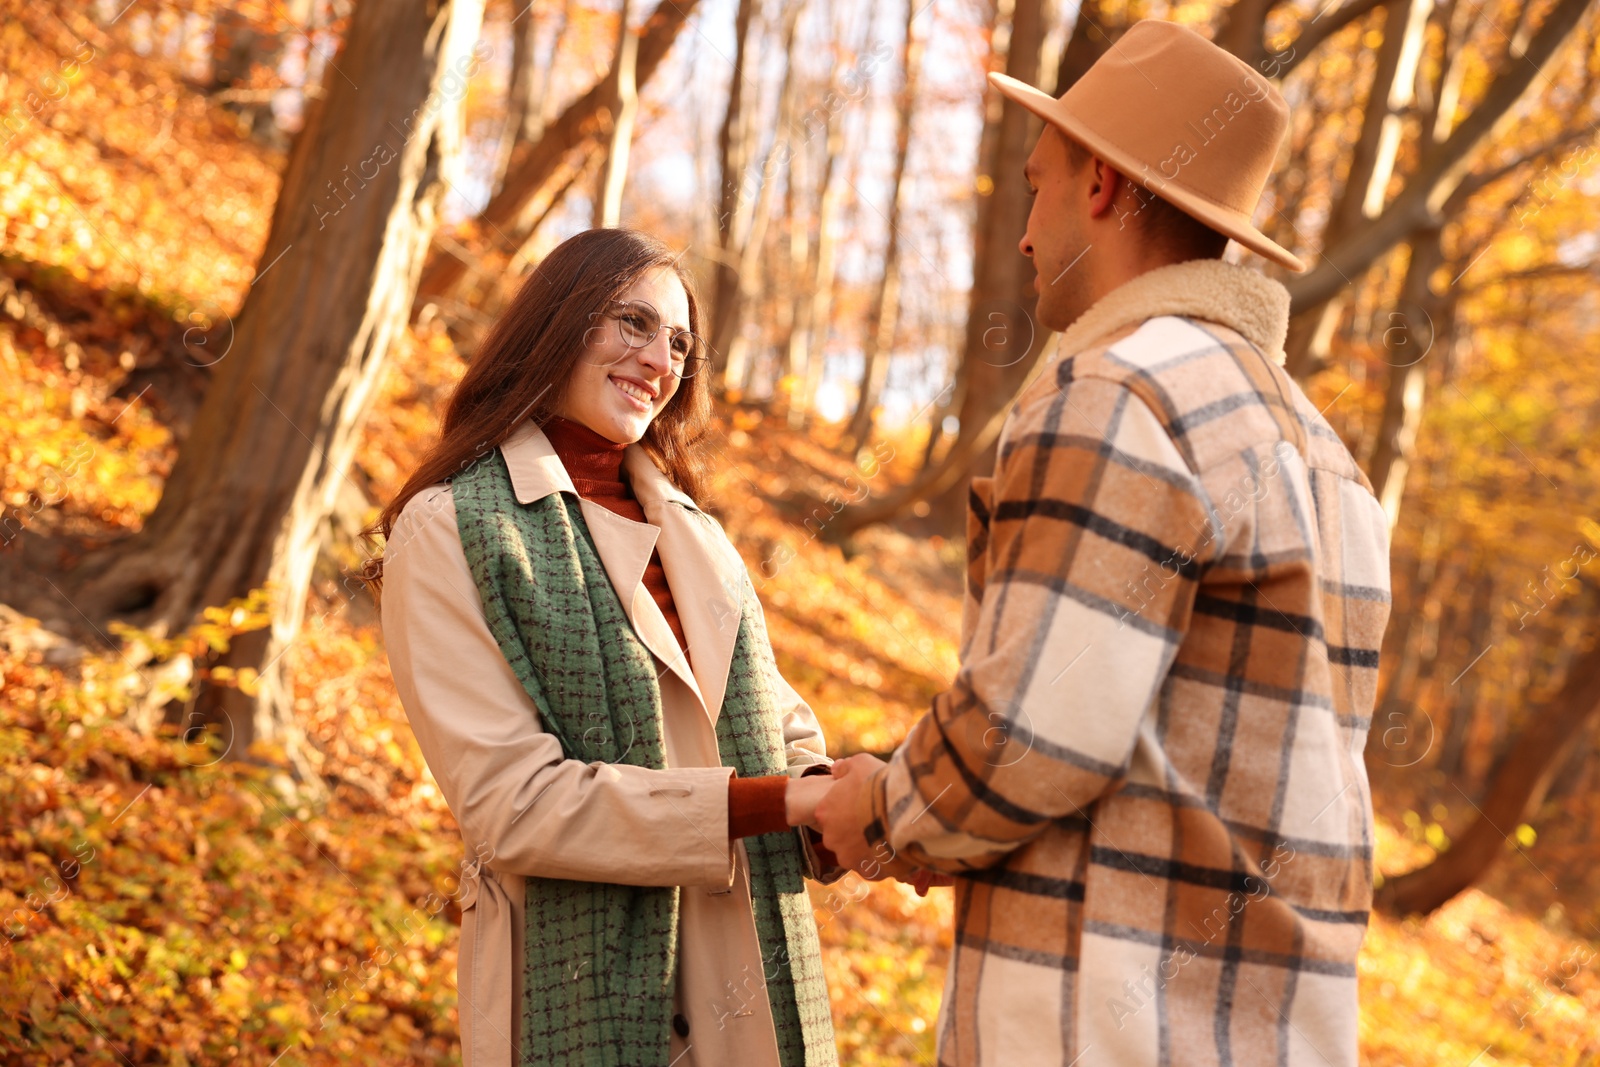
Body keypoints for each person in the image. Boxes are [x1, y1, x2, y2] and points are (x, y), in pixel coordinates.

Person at [814, 20, 1391, 1067]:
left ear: (1101, 188)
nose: (1025, 232)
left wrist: (883, 806)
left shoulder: (1118, 389)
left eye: (1038, 185)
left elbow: (1032, 734)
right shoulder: (1329, 460)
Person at [370, 228, 846, 1067]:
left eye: (678, 342)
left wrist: (844, 804)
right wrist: (784, 804)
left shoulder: (695, 534)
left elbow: (780, 721)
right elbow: (514, 804)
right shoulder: (453, 527)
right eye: (632, 322)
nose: (659, 360)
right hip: (580, 988)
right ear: (559, 321)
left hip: (749, 976)